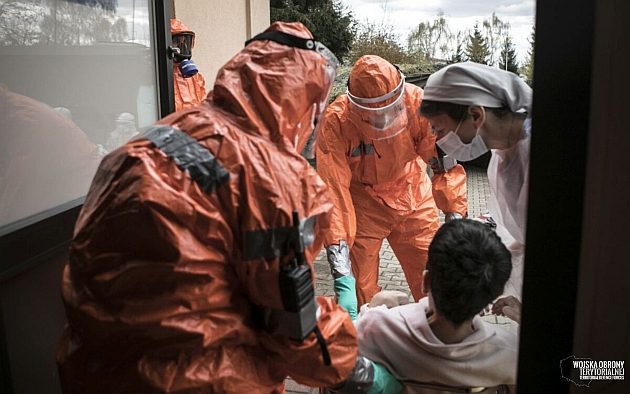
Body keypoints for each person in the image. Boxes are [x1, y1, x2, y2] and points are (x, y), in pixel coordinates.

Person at [56, 22, 359, 393]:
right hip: (202, 380)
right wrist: (355, 364)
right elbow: (293, 329)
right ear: (304, 100)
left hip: (92, 369)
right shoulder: (274, 178)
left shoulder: (156, 137)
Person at [316, 55, 468, 306]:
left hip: (413, 196)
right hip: (363, 206)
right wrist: (341, 270)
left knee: (433, 276)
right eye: (374, 115)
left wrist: (456, 221)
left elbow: (445, 165)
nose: (384, 121)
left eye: (389, 111)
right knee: (361, 289)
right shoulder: (337, 122)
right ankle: (366, 336)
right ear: (357, 109)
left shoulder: (418, 104)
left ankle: (437, 332)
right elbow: (332, 190)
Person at [353, 219, 518, 391]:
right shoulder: (509, 353)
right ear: (492, 296)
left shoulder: (376, 327)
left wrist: (375, 305)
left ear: (425, 281)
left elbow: (340, 356)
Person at [419, 62, 533, 299]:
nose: (438, 140)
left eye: (439, 129)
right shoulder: (502, 154)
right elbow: (518, 230)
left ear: (475, 115)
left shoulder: (537, 155)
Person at [171, 18, 207, 111]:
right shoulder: (159, 77)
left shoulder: (196, 77)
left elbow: (204, 104)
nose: (182, 47)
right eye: (177, 42)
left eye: (185, 42)